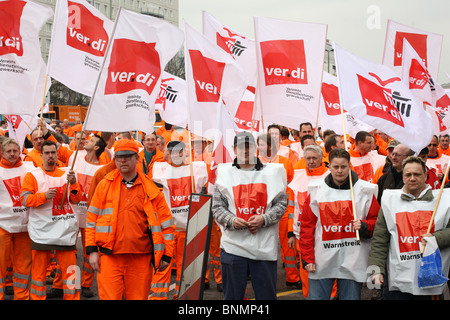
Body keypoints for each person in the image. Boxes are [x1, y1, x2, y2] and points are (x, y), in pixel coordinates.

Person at [85, 139, 175, 300]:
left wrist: (166, 256)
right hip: (109, 257)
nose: (123, 160)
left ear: (137, 158)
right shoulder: (104, 186)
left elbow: (166, 225)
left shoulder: (152, 189)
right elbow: (91, 220)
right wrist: (91, 251)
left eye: (127, 156)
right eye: (119, 157)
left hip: (141, 258)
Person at [212, 131, 287, 300]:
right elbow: (217, 207)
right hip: (233, 248)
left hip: (263, 248)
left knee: (266, 297)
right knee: (232, 298)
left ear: (255, 148)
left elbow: (281, 204)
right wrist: (231, 220)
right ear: (234, 149)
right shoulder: (224, 173)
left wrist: (264, 219)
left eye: (249, 146)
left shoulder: (272, 173)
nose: (245, 151)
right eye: (240, 147)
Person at [299, 148, 380, 300]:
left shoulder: (365, 191)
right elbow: (306, 228)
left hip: (353, 262)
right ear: (329, 167)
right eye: (335, 167)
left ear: (350, 166)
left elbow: (377, 224)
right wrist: (307, 258)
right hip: (321, 261)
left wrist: (364, 226)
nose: (340, 171)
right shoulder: (316, 191)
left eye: (343, 166)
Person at [369, 156, 450, 299]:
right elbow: (380, 239)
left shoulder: (443, 201)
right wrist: (376, 270)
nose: (412, 178)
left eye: (417, 174)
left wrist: (436, 238)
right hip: (398, 280)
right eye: (408, 175)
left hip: (431, 280)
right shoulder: (389, 201)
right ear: (403, 177)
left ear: (426, 176)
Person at [20, 140, 82, 300]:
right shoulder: (32, 176)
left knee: (71, 271)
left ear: (57, 154)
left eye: (53, 152)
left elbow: (76, 199)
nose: (50, 156)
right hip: (41, 232)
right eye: (47, 153)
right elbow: (25, 200)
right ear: (41, 155)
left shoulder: (68, 174)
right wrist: (43, 196)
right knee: (39, 273)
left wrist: (74, 183)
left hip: (64, 231)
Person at [150, 140, 208, 299]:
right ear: (168, 153)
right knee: (162, 265)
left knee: (185, 267)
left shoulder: (195, 169)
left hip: (187, 228)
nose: (176, 155)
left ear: (185, 152)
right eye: (173, 152)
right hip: (166, 229)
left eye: (179, 151)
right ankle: (158, 296)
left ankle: (182, 294)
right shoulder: (160, 170)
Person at [287, 144, 330, 298]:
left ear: (321, 158)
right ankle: (308, 295)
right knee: (305, 269)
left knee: (327, 267)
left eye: (314, 158)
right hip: (301, 232)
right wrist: (290, 232)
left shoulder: (330, 176)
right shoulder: (297, 176)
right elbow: (291, 207)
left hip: (325, 232)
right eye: (308, 158)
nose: (311, 161)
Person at [257, 133, 297, 288]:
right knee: (264, 245)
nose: (259, 148)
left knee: (288, 245)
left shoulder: (285, 162)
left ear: (269, 146)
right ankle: (263, 278)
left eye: (261, 144)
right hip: (263, 209)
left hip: (283, 208)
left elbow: (291, 182)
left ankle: (292, 278)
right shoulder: (256, 162)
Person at [70, 134, 106, 298]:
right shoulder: (75, 157)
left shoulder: (101, 170)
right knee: (68, 251)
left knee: (88, 252)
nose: (86, 141)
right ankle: (66, 283)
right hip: (71, 213)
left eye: (91, 141)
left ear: (97, 147)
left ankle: (85, 284)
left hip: (90, 218)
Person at [0, 138, 35, 300]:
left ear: (20, 151)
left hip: (24, 225)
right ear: (2, 152)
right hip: (3, 225)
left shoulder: (30, 169)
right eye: (9, 151)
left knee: (23, 266)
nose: (12, 154)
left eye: (15, 150)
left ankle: (21, 296)